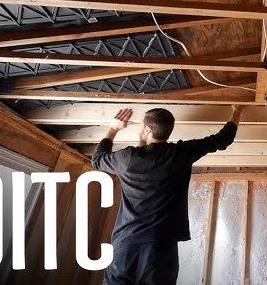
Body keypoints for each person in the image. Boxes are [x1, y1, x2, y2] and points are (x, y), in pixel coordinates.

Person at [91, 105, 245, 285]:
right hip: (162, 245)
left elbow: (97, 159)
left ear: (147, 129)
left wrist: (113, 128)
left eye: (143, 127)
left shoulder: (127, 159)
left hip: (127, 243)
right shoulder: (181, 153)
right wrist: (237, 111)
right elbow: (223, 139)